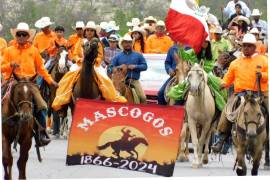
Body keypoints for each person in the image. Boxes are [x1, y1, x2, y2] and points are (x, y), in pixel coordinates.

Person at [1, 22, 59, 146]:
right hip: (12, 81)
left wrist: (51, 81)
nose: (21, 36)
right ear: (15, 36)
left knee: (42, 105)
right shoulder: (8, 50)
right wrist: (10, 65)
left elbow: (41, 69)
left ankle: (41, 134)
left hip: (30, 83)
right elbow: (1, 67)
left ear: (28, 36)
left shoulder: (34, 51)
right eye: (19, 34)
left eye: (24, 34)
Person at [211, 34, 268, 154]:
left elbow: (268, 75)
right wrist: (223, 84)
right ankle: (221, 139)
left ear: (254, 47)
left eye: (249, 46)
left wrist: (262, 75)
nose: (246, 48)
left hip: (260, 94)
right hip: (240, 94)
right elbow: (228, 78)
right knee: (227, 111)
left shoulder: (263, 60)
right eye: (244, 46)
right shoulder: (235, 63)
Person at [52, 21, 126, 111]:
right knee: (67, 78)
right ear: (85, 32)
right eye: (87, 30)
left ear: (94, 32)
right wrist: (79, 60)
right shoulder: (80, 42)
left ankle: (108, 98)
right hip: (80, 64)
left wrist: (96, 61)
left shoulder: (98, 43)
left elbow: (100, 56)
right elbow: (75, 54)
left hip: (95, 65)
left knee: (105, 79)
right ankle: (63, 103)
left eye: (91, 30)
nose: (89, 32)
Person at [111, 34, 148, 104]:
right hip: (119, 82)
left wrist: (135, 67)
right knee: (109, 96)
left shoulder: (138, 55)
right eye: (125, 42)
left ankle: (142, 111)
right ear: (122, 44)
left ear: (132, 43)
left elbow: (145, 66)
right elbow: (110, 68)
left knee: (143, 97)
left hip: (133, 81)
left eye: (129, 42)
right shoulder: (117, 56)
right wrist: (119, 67)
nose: (128, 44)